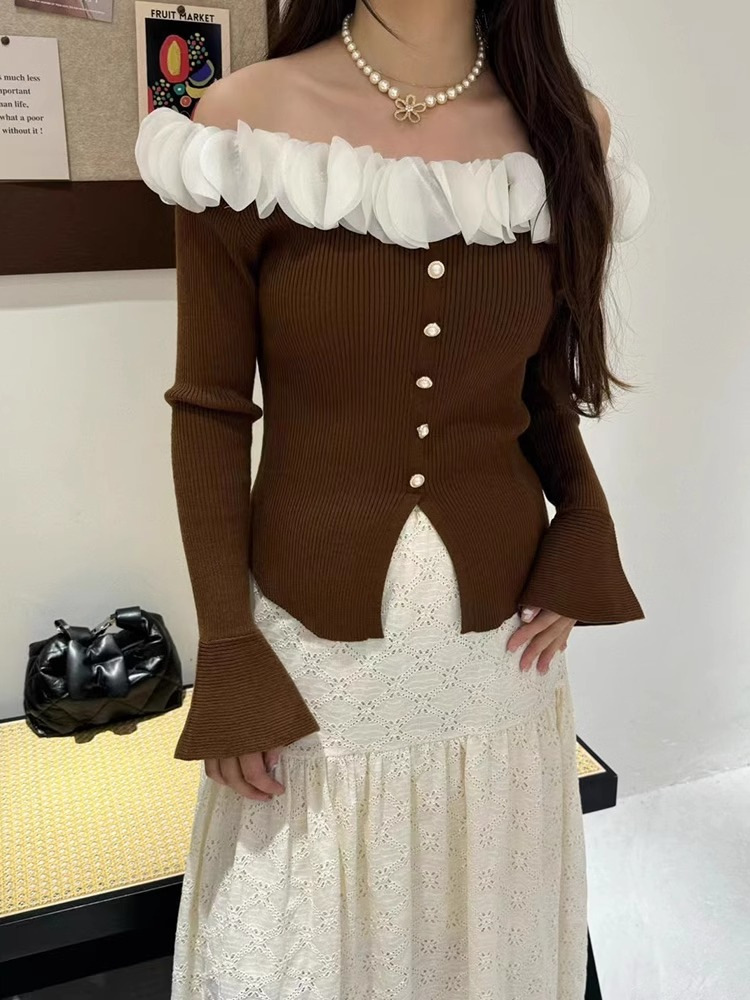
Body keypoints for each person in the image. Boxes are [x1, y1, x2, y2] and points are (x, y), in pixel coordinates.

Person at [135, 0, 650, 996]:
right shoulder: (242, 123)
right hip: (310, 672)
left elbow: (544, 386)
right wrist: (227, 647)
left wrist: (587, 521)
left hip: (497, 663)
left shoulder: (564, 128)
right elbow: (209, 408)